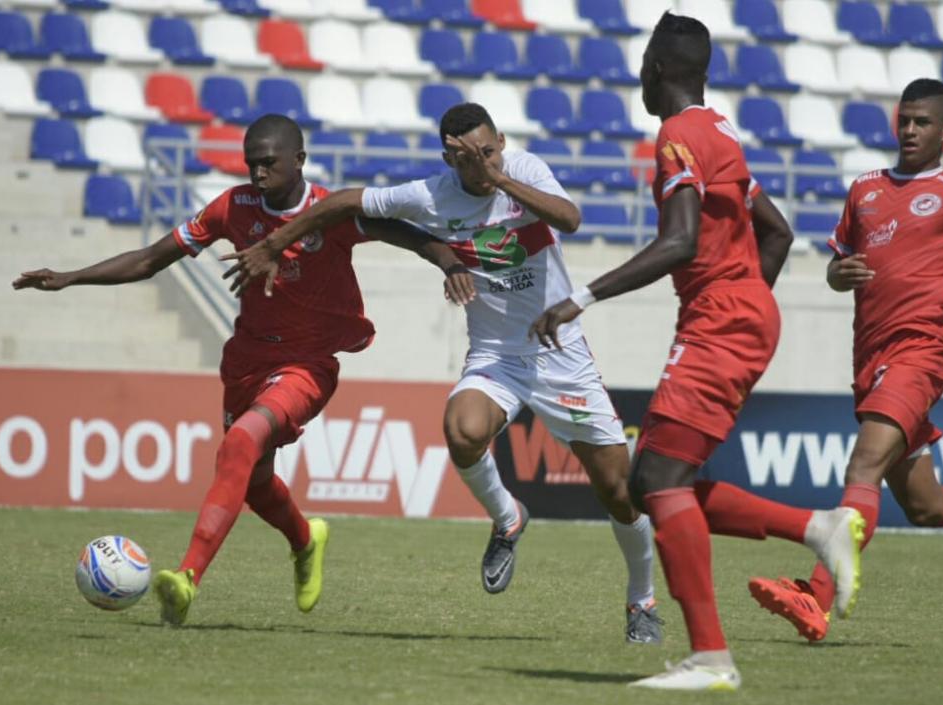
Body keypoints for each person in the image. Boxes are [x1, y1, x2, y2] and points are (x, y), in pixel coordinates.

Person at [224, 103, 664, 644]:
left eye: (489, 149)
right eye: (468, 156)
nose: (482, 161)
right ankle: (508, 518)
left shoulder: (521, 169)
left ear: (500, 142)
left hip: (559, 352)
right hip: (497, 355)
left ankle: (641, 600)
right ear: (448, 159)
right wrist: (272, 244)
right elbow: (342, 203)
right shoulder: (431, 194)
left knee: (617, 491)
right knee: (462, 430)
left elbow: (569, 219)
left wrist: (499, 176)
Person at [13, 114, 472, 626]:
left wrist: (450, 263)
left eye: (268, 163)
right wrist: (71, 278)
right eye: (251, 163)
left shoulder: (329, 212)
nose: (257, 173)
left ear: (298, 160)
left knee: (240, 442)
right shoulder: (233, 207)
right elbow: (151, 259)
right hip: (248, 361)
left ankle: (187, 578)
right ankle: (305, 539)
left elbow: (407, 234)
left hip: (307, 364)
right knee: (252, 480)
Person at [530, 13, 864, 691]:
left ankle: (711, 657)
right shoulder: (721, 131)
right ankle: (818, 527)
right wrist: (744, 300)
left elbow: (681, 240)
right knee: (654, 483)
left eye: (643, 64)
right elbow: (776, 231)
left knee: (652, 483)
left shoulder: (680, 136)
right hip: (736, 316)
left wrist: (582, 298)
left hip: (721, 322)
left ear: (656, 67)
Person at [748, 78, 943, 643]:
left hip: (919, 353)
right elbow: (837, 266)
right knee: (926, 506)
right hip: (869, 359)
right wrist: (834, 275)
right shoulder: (865, 189)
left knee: (861, 468)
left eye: (922, 122)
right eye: (905, 120)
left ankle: (816, 597)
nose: (910, 130)